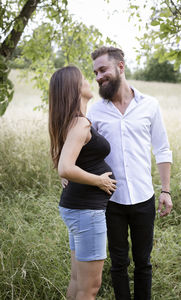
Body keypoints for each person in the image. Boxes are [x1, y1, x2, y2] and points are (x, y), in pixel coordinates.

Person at [86, 46, 173, 300]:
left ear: (120, 67)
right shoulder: (96, 110)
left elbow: (162, 148)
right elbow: (82, 146)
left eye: (103, 69)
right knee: (118, 263)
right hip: (111, 200)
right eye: (95, 72)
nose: (99, 76)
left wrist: (165, 190)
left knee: (144, 263)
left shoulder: (150, 106)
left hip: (144, 199)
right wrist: (66, 168)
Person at [48, 65, 117, 300]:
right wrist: (98, 181)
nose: (89, 81)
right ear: (75, 88)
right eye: (83, 79)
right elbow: (65, 167)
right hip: (86, 211)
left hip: (77, 209)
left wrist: (69, 175)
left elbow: (65, 163)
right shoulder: (79, 124)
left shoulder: (71, 122)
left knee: (78, 281)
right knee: (90, 288)